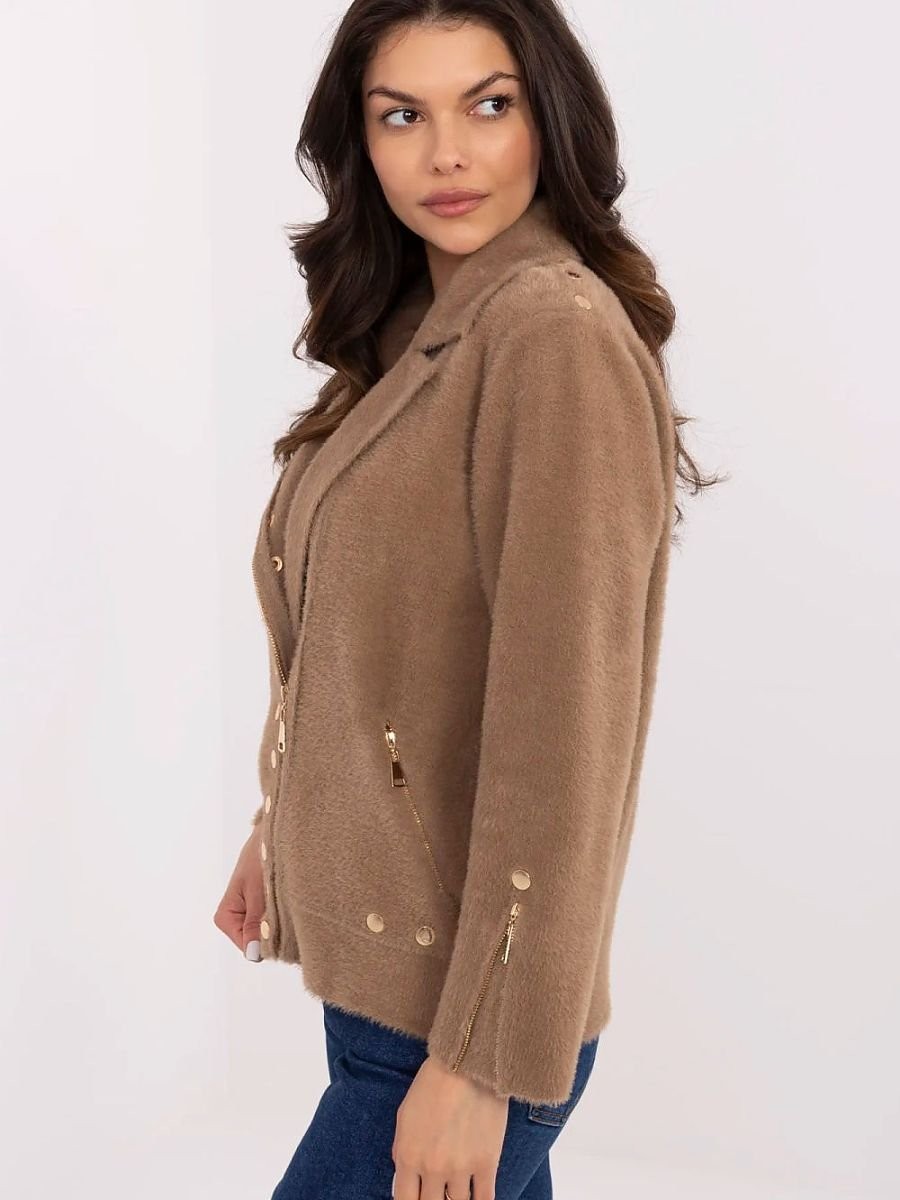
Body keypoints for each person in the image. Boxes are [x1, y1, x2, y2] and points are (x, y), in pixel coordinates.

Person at [214, 2, 722, 1197]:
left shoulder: (548, 335)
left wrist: (482, 1060)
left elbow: (563, 733)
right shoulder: (420, 334)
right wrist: (286, 821)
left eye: (489, 106)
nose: (447, 154)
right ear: (359, 141)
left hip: (455, 1016)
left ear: (550, 117)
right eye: (403, 116)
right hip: (394, 991)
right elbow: (379, 644)